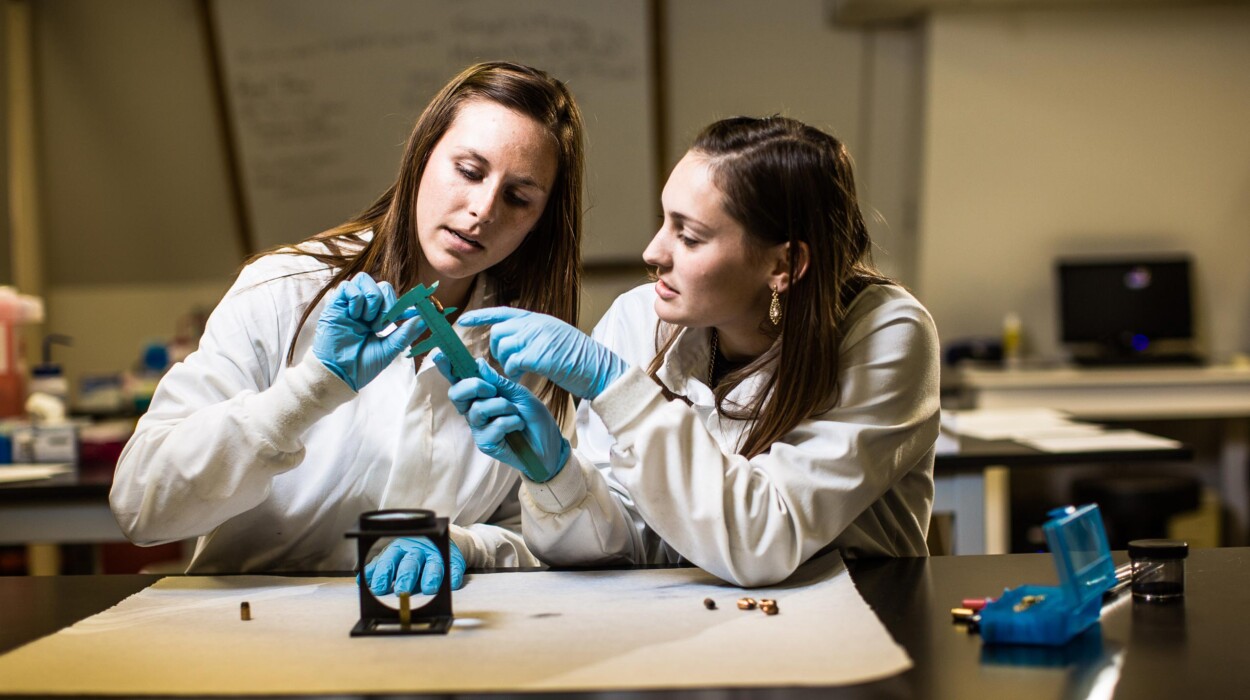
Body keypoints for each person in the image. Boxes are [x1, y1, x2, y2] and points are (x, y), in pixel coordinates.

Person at [110, 61, 585, 595]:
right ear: (421, 155)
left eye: (518, 198)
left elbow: (544, 540)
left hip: (427, 649)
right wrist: (310, 391)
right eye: (470, 171)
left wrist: (465, 544)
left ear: (540, 219)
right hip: (253, 645)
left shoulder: (525, 349)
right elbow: (141, 506)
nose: (481, 210)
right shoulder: (282, 290)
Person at [435, 115, 939, 587]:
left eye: (689, 236)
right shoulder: (640, 317)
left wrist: (616, 387)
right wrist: (555, 475)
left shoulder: (887, 332)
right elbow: (628, 544)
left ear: (784, 264)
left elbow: (763, 538)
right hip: (701, 627)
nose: (653, 253)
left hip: (860, 627)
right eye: (664, 221)